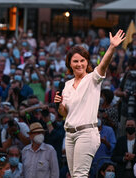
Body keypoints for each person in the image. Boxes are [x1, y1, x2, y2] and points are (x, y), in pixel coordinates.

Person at [54, 30, 126, 177]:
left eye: (82, 60)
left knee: (80, 175)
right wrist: (59, 105)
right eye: (75, 61)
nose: (79, 64)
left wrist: (111, 47)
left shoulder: (93, 79)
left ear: (87, 62)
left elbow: (103, 65)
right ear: (69, 63)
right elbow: (65, 113)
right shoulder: (67, 85)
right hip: (69, 134)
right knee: (75, 175)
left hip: (86, 133)